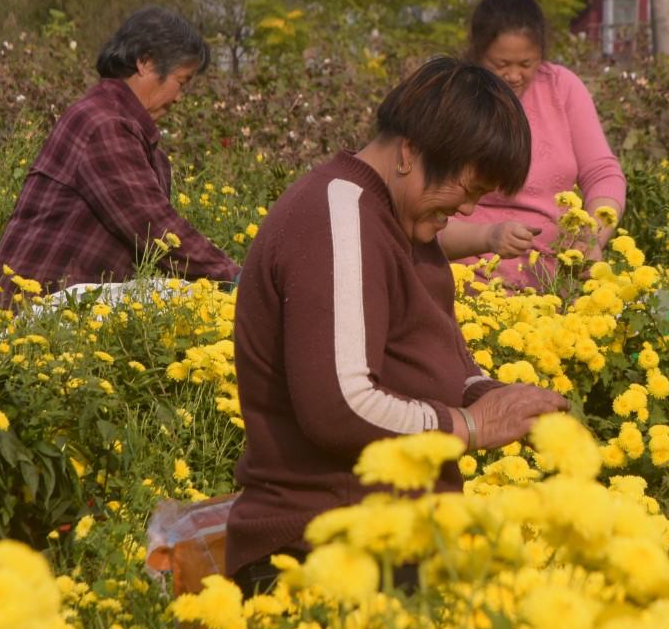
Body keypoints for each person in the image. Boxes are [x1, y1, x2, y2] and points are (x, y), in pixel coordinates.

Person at [227, 56, 570, 593]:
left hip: (389, 539)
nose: (467, 210)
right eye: (467, 188)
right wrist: (471, 427)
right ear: (411, 152)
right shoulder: (336, 216)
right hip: (319, 551)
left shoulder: (399, 222)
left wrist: (505, 401)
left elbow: (431, 362)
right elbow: (341, 407)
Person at [0, 7, 239, 308]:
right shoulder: (104, 124)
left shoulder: (125, 128)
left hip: (60, 316)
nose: (180, 97)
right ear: (145, 62)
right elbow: (152, 227)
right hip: (32, 317)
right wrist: (235, 280)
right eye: (181, 82)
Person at [438, 0, 627, 289]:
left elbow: (603, 174)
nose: (514, 76)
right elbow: (424, 207)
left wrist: (591, 239)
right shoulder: (455, 95)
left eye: (526, 64)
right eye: (500, 65)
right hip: (467, 275)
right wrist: (487, 236)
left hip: (553, 275)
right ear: (476, 52)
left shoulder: (561, 87)